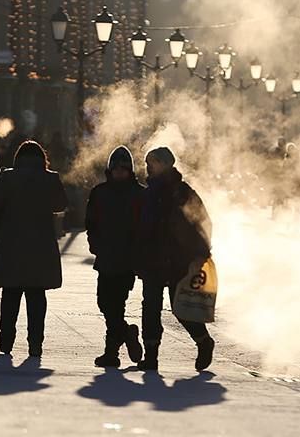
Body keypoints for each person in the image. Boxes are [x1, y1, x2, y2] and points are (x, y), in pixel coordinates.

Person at [134, 147, 214, 372]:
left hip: (179, 260)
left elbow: (203, 223)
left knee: (181, 308)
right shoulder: (148, 193)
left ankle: (203, 341)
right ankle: (151, 356)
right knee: (150, 307)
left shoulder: (183, 192)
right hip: (152, 260)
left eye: (152, 162)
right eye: (148, 162)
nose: (148, 166)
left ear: (165, 164)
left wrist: (201, 254)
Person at [0, 141, 67, 357]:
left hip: (11, 244)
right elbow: (61, 205)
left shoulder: (7, 178)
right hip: (41, 246)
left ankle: (6, 341)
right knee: (36, 296)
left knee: (10, 295)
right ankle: (35, 343)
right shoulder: (50, 178)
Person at [85, 146, 144, 368]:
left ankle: (111, 352)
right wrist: (94, 244)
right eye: (117, 168)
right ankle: (127, 332)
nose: (120, 172)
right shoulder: (100, 192)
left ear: (130, 170)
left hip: (127, 260)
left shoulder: (139, 193)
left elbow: (144, 226)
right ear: (110, 169)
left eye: (124, 168)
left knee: (115, 305)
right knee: (104, 303)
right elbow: (91, 222)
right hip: (106, 256)